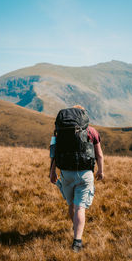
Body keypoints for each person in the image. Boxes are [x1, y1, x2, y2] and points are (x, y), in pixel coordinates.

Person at [50, 105, 104, 252]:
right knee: (80, 207)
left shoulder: (60, 132)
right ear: (83, 115)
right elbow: (99, 155)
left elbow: (54, 152)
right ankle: (77, 241)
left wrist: (52, 171)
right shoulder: (92, 131)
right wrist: (101, 171)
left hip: (66, 173)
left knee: (71, 205)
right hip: (85, 174)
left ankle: (75, 226)